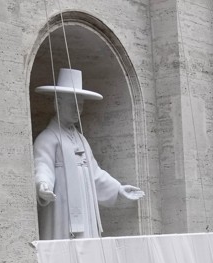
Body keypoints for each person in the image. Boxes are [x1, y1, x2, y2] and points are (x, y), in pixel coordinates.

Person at [32, 68, 145, 240]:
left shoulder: (81, 140)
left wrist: (118, 189)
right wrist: (43, 185)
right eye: (73, 105)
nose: (78, 110)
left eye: (81, 105)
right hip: (62, 211)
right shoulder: (48, 138)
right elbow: (42, 165)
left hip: (85, 210)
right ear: (58, 103)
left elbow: (94, 173)